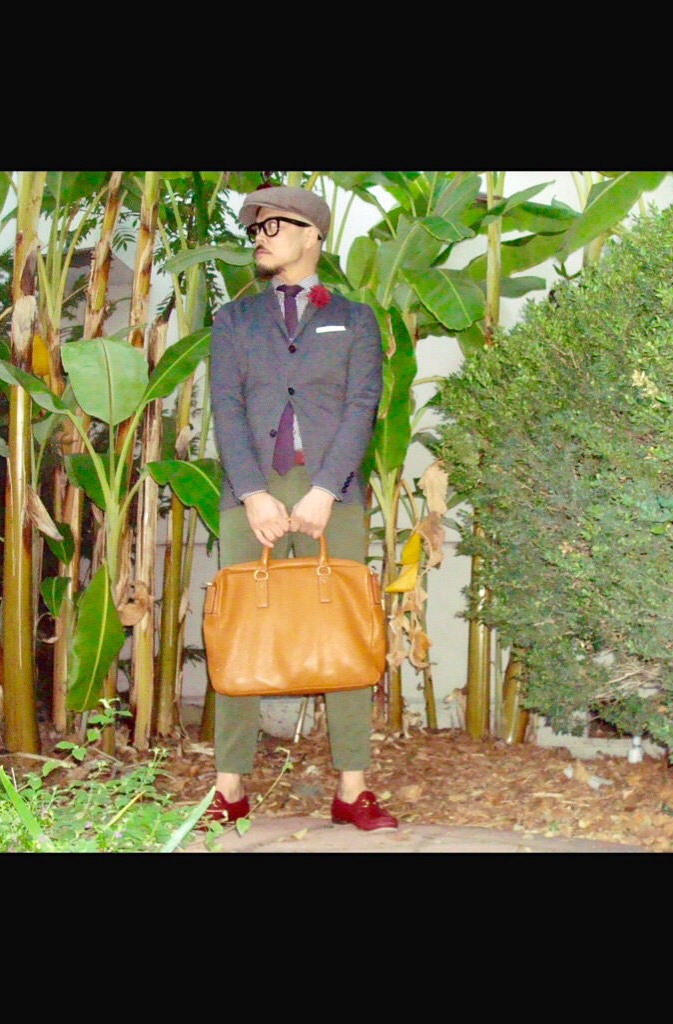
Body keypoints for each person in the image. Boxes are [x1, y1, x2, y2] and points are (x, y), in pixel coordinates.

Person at [206, 184, 397, 831]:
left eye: (274, 225)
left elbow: (362, 405)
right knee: (239, 634)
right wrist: (252, 492)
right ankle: (229, 789)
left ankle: (352, 790)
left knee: (345, 632)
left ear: (313, 234)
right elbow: (227, 407)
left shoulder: (355, 319)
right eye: (255, 229)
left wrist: (324, 489)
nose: (260, 237)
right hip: (251, 493)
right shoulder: (234, 320)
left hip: (330, 496)